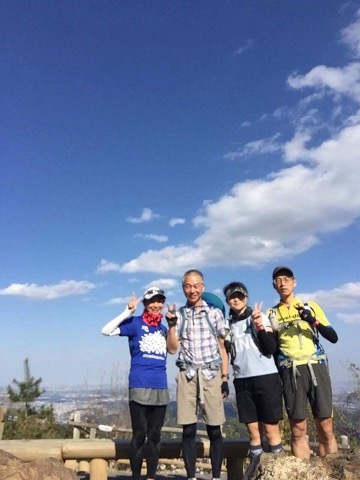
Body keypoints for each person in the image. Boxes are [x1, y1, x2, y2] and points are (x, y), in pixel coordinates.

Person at [267, 266, 339, 460]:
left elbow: (333, 337)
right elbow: (271, 348)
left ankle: (331, 472)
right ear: (274, 286)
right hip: (290, 370)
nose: (283, 283)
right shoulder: (271, 313)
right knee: (298, 429)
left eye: (287, 279)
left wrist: (312, 321)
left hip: (315, 365)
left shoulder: (311, 306)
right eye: (278, 280)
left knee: (325, 426)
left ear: (294, 282)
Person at [166, 269, 229, 480]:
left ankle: (216, 477)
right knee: (188, 429)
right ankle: (191, 476)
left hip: (211, 373)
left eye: (196, 286)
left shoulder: (214, 314)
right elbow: (173, 349)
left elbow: (223, 347)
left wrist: (225, 378)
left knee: (214, 429)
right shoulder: (180, 315)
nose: (192, 290)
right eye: (187, 286)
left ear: (202, 287)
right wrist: (172, 326)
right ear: (183, 288)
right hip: (188, 372)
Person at [101, 287, 169, 480]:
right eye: (152, 301)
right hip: (139, 384)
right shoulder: (135, 323)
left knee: (155, 436)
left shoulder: (164, 329)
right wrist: (127, 312)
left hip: (160, 386)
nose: (156, 305)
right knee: (140, 435)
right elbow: (106, 331)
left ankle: (151, 477)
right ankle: (136, 477)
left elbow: (173, 349)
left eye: (159, 301)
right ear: (145, 304)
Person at [222, 281, 284, 460]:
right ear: (227, 301)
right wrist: (224, 380)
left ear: (246, 298)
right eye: (232, 297)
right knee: (253, 431)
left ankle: (277, 470)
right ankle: (257, 468)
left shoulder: (258, 317)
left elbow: (270, 348)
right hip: (242, 380)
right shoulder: (227, 325)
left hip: (266, 377)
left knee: (271, 429)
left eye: (239, 296)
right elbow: (225, 353)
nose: (236, 300)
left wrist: (259, 326)